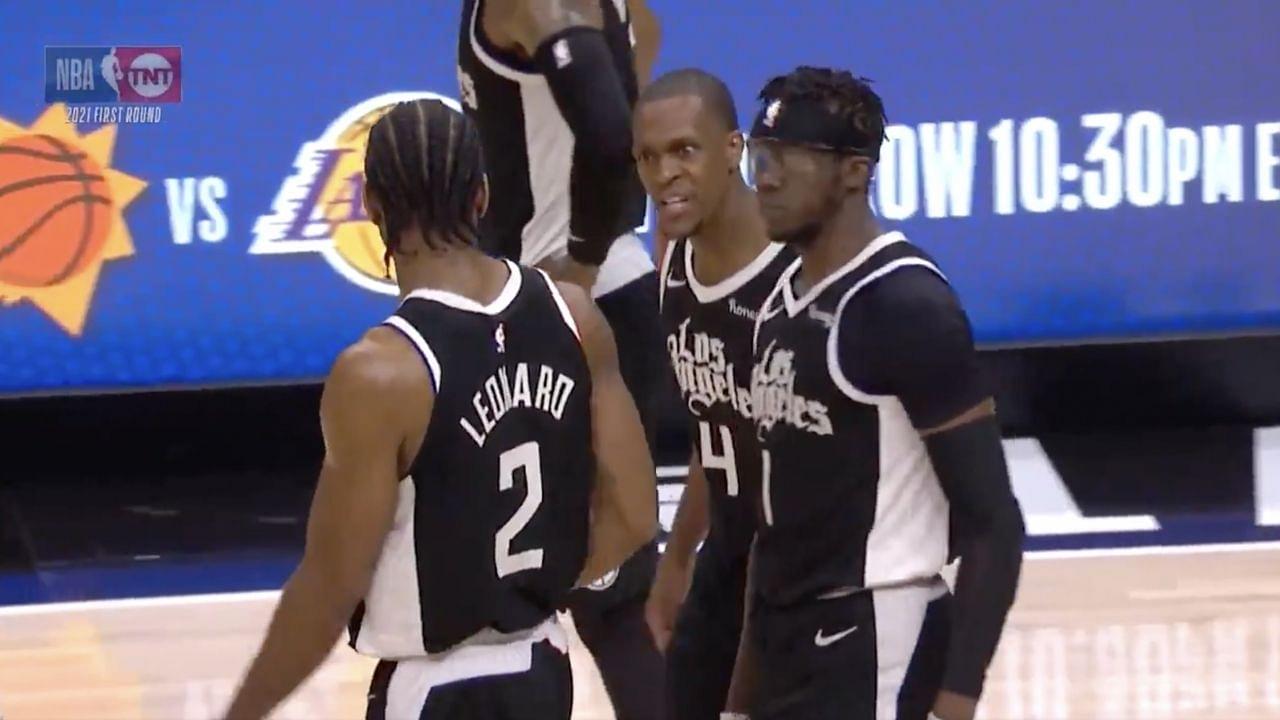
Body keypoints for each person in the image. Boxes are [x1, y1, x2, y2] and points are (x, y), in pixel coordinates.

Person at [222, 99, 657, 720]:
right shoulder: (574, 316)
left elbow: (326, 593)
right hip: (543, 669)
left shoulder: (380, 372)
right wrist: (533, 592)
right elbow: (637, 514)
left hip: (433, 694)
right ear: (482, 197)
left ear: (371, 206)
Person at [724, 67, 1026, 720]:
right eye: (759, 156)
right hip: (785, 637)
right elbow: (770, 529)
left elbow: (993, 523)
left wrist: (956, 700)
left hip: (878, 639)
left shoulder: (906, 304)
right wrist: (740, 701)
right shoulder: (776, 302)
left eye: (789, 159)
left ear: (854, 173)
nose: (765, 178)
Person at [456, 2, 667, 718]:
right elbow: (645, 40)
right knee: (608, 595)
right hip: (597, 301)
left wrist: (580, 256)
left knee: (609, 596)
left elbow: (611, 137)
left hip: (578, 308)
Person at [630, 68, 794, 720]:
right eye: (647, 157)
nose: (664, 172)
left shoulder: (796, 277)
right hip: (726, 560)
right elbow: (716, 423)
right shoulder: (676, 263)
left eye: (684, 151)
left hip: (805, 577)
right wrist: (676, 562)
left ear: (734, 150)